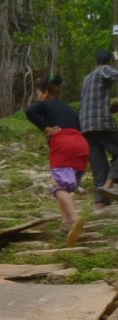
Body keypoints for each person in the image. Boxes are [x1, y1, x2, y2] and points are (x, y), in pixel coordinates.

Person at [25, 74, 89, 246]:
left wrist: (45, 129)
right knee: (67, 188)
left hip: (63, 143)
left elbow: (29, 111)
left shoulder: (44, 103)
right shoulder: (68, 108)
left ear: (45, 92)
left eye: (38, 92)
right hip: (81, 146)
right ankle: (66, 223)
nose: (37, 96)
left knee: (58, 186)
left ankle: (75, 219)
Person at [80, 50, 118, 209]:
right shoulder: (104, 69)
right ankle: (110, 185)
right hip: (100, 122)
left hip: (85, 126)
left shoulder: (87, 79)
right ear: (110, 61)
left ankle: (99, 206)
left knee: (99, 166)